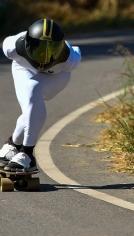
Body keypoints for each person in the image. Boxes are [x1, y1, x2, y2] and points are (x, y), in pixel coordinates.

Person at [0, 18, 81, 172]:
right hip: (23, 69)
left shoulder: (70, 59)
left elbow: (76, 50)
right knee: (31, 100)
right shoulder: (12, 48)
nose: (43, 57)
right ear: (27, 43)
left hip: (57, 75)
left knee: (33, 95)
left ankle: (26, 153)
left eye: (52, 50)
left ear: (61, 48)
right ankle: (14, 145)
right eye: (37, 48)